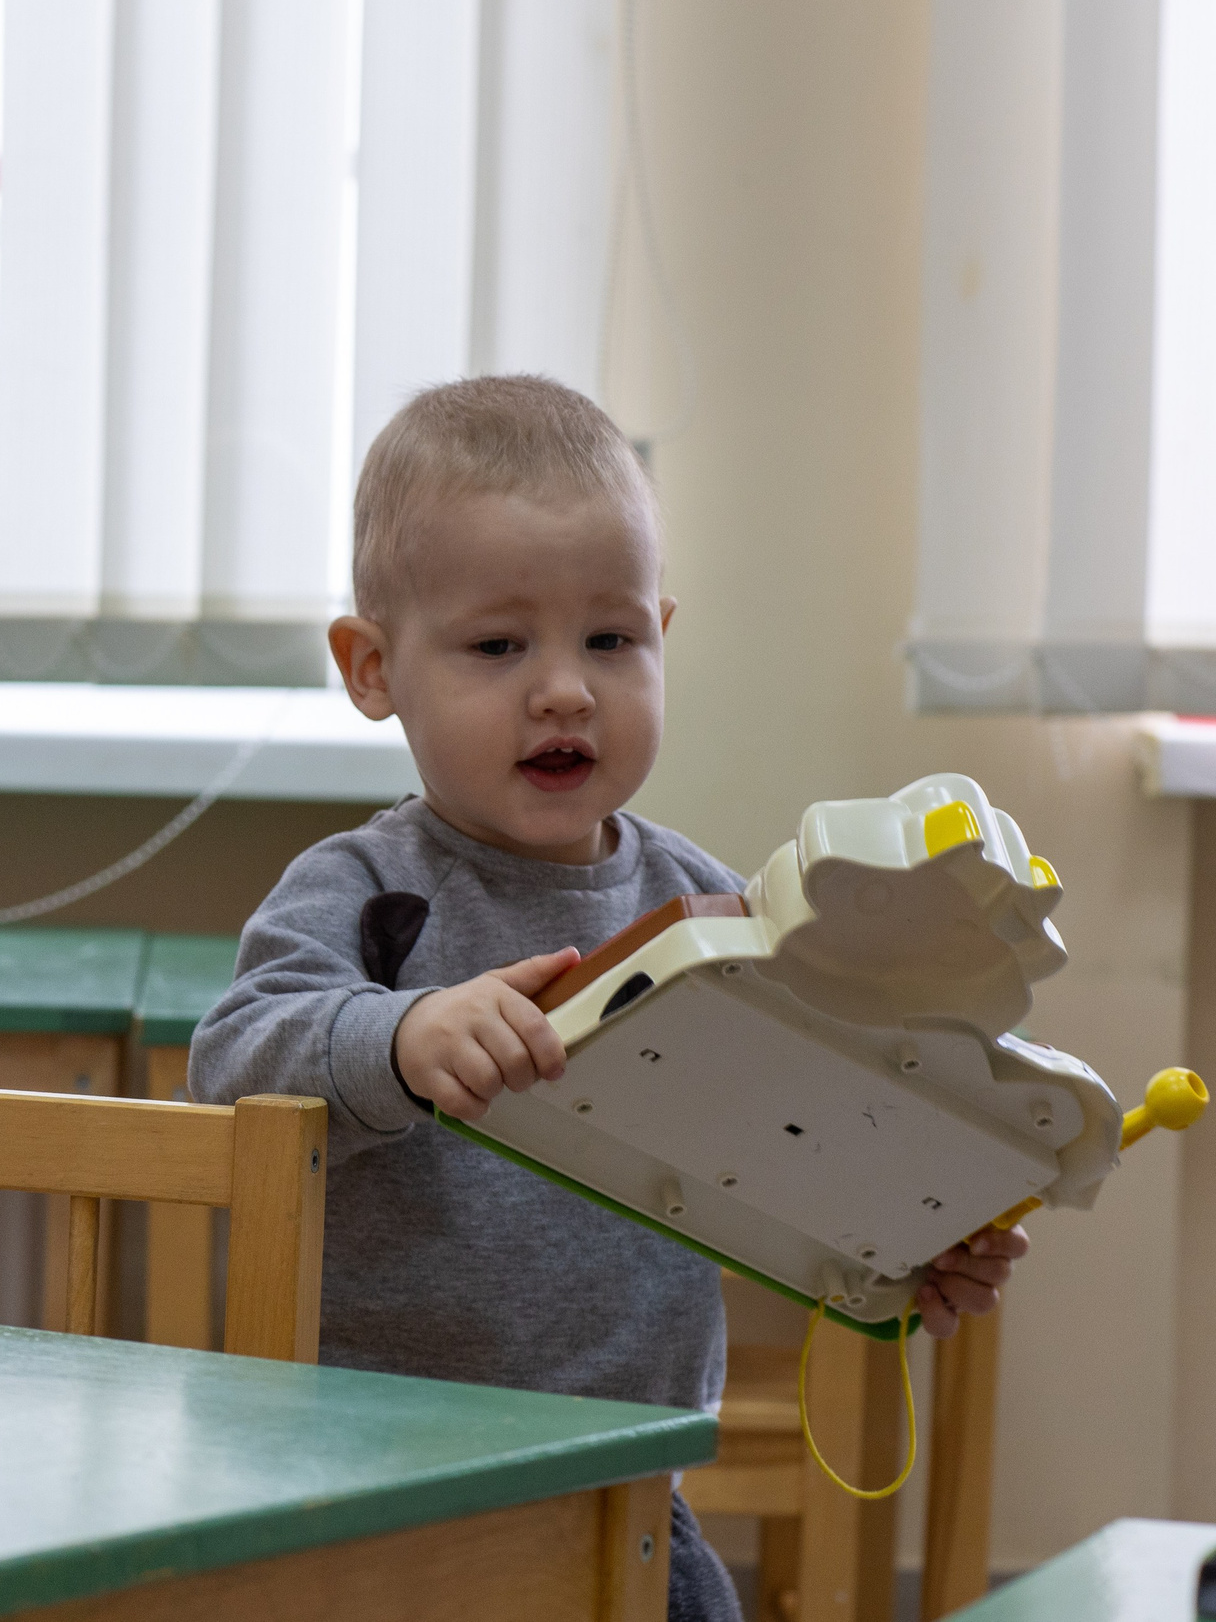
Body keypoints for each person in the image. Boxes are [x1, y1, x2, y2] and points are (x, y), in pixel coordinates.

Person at [188, 376, 1024, 1621]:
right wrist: (401, 1034)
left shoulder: (709, 908)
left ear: (662, 638)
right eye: (497, 645)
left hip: (629, 1485)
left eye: (610, 640)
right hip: (369, 1484)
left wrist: (910, 1232)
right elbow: (236, 1058)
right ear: (373, 668)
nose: (565, 690)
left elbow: (806, 1126)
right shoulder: (364, 890)